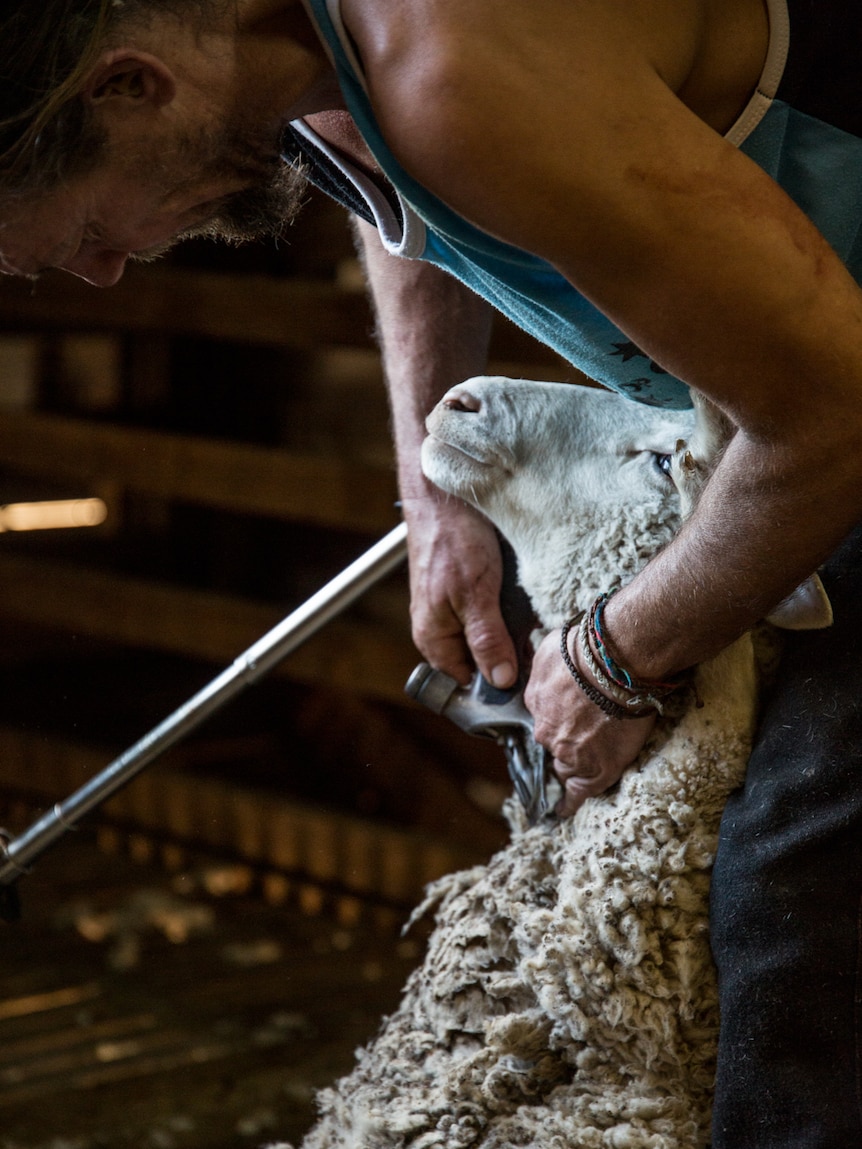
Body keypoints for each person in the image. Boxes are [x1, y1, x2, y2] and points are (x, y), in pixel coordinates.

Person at [1, 0, 861, 1143]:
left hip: (831, 397)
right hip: (796, 390)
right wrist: (435, 495)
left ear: (127, 86)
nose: (109, 272)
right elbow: (396, 177)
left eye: (84, 234)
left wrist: (613, 655)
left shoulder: (457, 66)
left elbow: (835, 412)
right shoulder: (304, 63)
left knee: (790, 906)